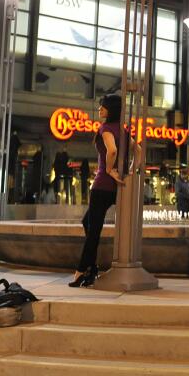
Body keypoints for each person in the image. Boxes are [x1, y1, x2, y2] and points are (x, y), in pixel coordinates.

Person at [70, 94, 140, 288]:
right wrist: (131, 171)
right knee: (88, 222)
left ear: (111, 110)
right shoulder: (124, 131)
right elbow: (139, 150)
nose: (99, 109)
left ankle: (82, 271)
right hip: (117, 187)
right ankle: (91, 267)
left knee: (94, 231)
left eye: (103, 106)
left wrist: (109, 170)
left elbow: (112, 150)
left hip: (101, 185)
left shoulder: (106, 128)